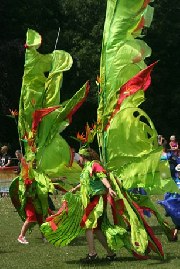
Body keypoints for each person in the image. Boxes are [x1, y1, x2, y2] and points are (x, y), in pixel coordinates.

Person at [70, 147, 117, 261]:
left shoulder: (95, 165)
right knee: (96, 228)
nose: (78, 159)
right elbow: (86, 182)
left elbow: (102, 176)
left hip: (98, 198)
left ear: (83, 157)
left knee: (88, 225)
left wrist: (109, 187)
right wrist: (76, 188)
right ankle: (110, 253)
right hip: (93, 199)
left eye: (79, 157)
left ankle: (92, 254)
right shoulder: (86, 167)